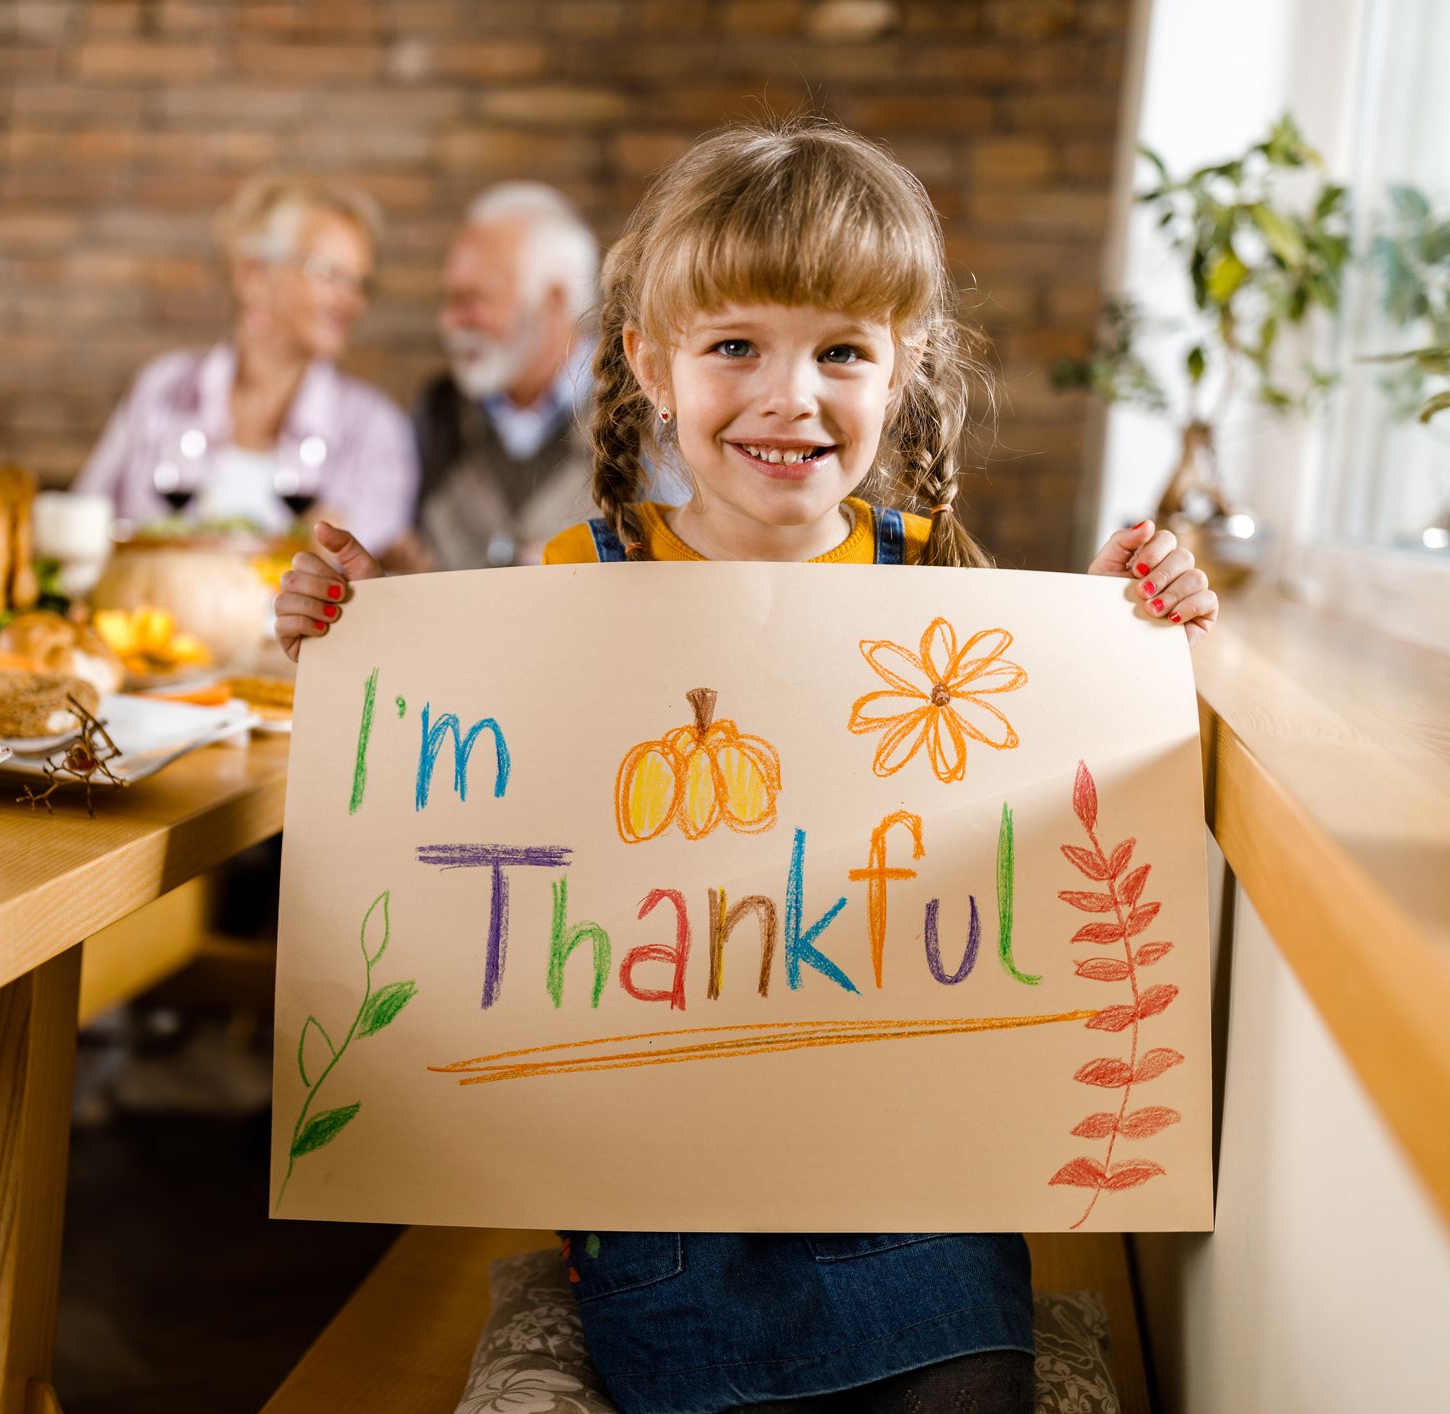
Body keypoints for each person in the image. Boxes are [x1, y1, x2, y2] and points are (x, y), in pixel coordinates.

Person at [272, 120, 1217, 1413]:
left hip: (911, 1196)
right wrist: (350, 631)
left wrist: (1138, 627)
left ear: (904, 368)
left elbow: (1065, 800)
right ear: (652, 367)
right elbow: (463, 815)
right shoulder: (576, 584)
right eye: (735, 347)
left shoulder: (940, 586)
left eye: (841, 349)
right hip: (661, 1208)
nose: (790, 396)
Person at [74, 175, 418, 552]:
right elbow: (81, 527)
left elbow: (369, 577)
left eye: (360, 284)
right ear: (253, 275)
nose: (353, 301)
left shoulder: (374, 430)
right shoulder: (163, 387)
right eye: (330, 274)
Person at [399, 181, 601, 572]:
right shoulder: (439, 409)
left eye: (474, 299)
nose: (449, 322)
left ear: (554, 301)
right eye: (449, 298)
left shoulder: (647, 407)